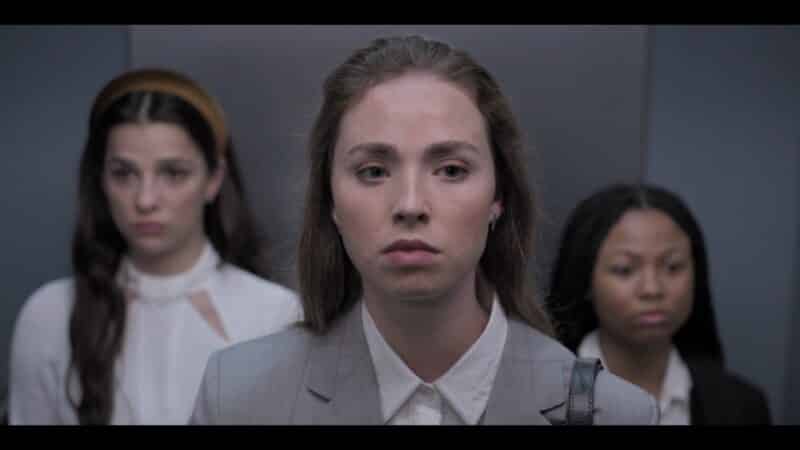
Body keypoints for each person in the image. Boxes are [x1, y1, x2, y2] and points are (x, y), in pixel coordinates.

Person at [190, 35, 657, 425]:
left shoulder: (610, 414)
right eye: (373, 171)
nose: (410, 205)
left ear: (499, 196)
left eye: (451, 170)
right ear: (330, 200)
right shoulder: (239, 398)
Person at [8, 68, 302, 425]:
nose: (146, 199)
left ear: (214, 180)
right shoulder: (50, 315)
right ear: (101, 179)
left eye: (173, 173)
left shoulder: (275, 315)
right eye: (124, 173)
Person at [545, 182, 772, 425]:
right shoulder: (540, 393)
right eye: (625, 270)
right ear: (586, 281)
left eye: (673, 267)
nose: (652, 289)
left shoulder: (741, 406)